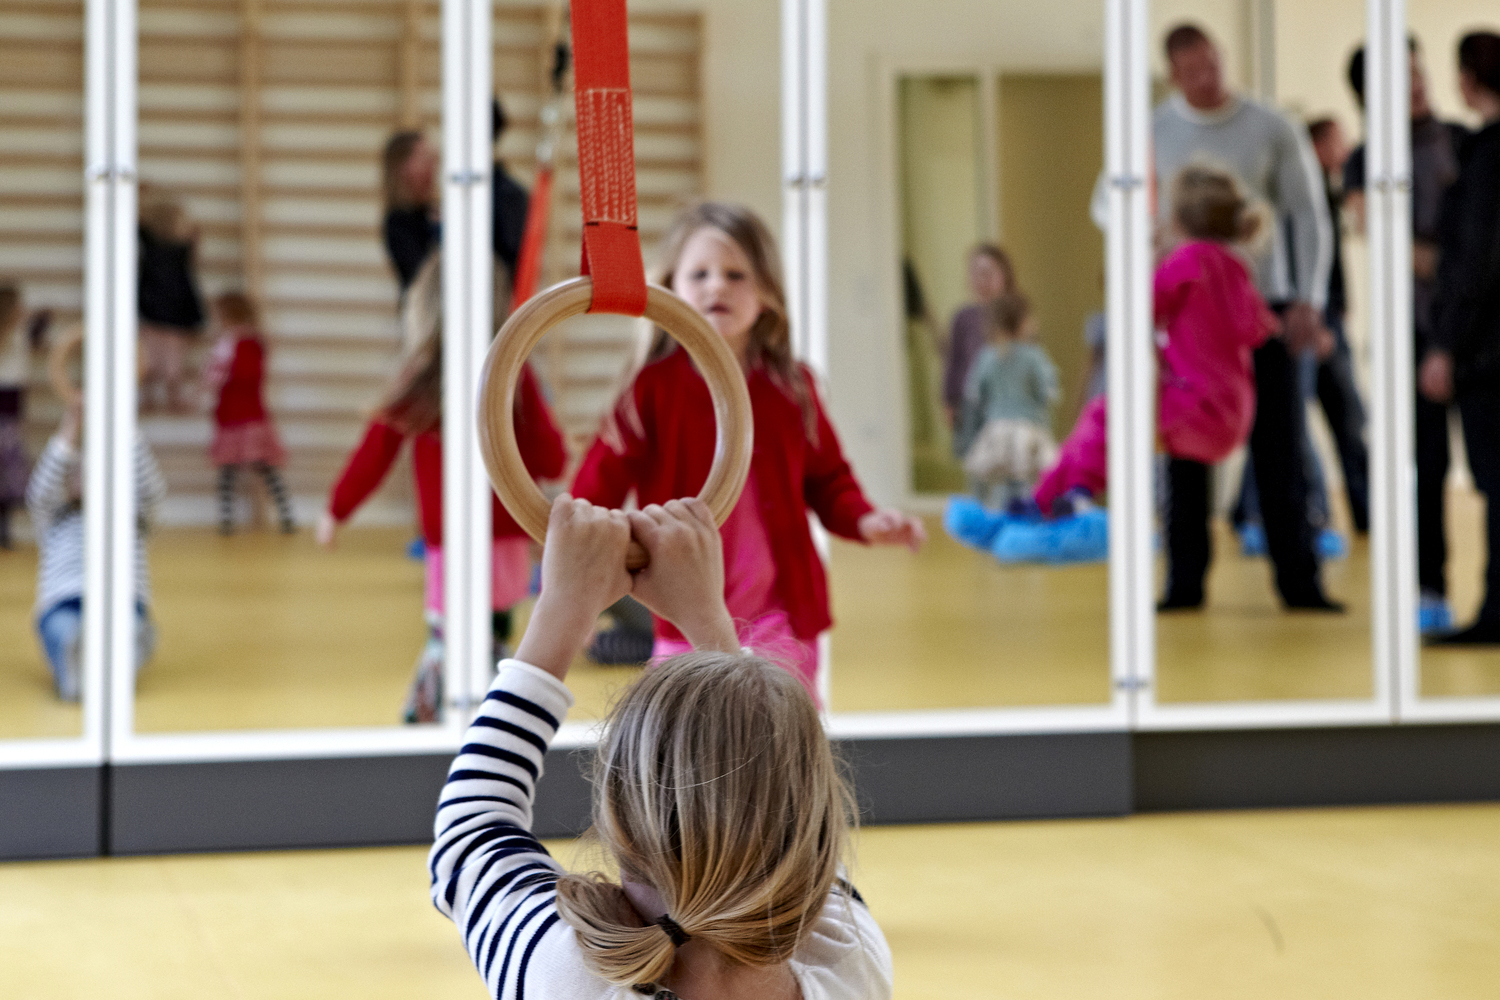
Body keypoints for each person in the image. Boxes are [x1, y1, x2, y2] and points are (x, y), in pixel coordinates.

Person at [427, 494, 892, 1000]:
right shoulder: (851, 968)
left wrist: (562, 608)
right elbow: (795, 825)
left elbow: (470, 827)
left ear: (617, 822)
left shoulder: (566, 975)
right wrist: (708, 615)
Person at [572, 202, 925, 704]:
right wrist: (578, 590)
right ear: (671, 289)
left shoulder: (791, 387)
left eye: (736, 275)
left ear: (764, 295)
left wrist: (865, 520)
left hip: (780, 614)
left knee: (781, 739)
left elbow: (828, 479)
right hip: (683, 610)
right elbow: (596, 488)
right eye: (700, 274)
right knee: (691, 743)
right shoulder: (649, 390)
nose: (717, 286)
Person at [318, 253, 567, 720]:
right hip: (503, 540)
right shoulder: (513, 373)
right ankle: (489, 715)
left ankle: (435, 715)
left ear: (425, 308)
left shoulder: (428, 378)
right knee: (489, 637)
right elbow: (552, 456)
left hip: (452, 542)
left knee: (450, 636)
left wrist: (337, 509)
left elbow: (375, 451)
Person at [1150, 23, 1342, 611]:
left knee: (1279, 445)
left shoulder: (1272, 126)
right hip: (1190, 320)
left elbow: (1309, 216)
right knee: (1185, 451)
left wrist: (1310, 298)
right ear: (1175, 74)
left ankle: (1299, 583)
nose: (1208, 77)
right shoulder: (1153, 130)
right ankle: (1184, 584)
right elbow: (1120, 204)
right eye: (1194, 70)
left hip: (1266, 310)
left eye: (1214, 63)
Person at [1029, 166, 1277, 606]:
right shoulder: (1238, 266)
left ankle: (1067, 499)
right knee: (1186, 493)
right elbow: (1255, 328)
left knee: (1106, 414)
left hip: (1190, 403)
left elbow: (1138, 305)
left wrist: (1146, 253)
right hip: (1231, 409)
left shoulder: (1187, 261)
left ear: (1179, 220)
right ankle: (1184, 583)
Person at [1345, 39, 1469, 634]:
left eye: (1418, 73)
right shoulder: (1365, 159)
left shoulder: (1465, 143)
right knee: (1427, 464)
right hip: (1412, 335)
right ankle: (1430, 587)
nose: (1417, 85)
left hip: (1478, 330)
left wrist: (1447, 261)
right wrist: (1456, 260)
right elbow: (1383, 239)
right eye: (1401, 79)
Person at [1422, 32, 1500, 645]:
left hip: (1489, 354)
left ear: (1469, 81)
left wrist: (1446, 345)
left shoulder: (1486, 159)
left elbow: (1475, 262)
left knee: (1497, 483)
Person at [27, 401, 165, 701]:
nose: (90, 475)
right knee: (61, 630)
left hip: (121, 601)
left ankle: (119, 662)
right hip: (66, 601)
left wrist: (126, 425)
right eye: (81, 470)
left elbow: (152, 489)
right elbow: (39, 491)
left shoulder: (131, 517)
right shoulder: (55, 519)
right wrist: (70, 428)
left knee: (128, 627)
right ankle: (73, 670)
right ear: (68, 482)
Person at [1307, 116, 1370, 536]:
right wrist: (1323, 318)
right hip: (1318, 319)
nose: (1344, 151)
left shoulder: (1328, 193)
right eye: (1337, 142)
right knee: (1348, 417)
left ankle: (1246, 511)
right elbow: (1317, 263)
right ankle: (1366, 511)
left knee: (1342, 418)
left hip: (1327, 316)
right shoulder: (1309, 195)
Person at [955, 291, 1060, 508]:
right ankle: (1030, 519)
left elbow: (973, 394)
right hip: (1029, 430)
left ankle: (987, 517)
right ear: (1023, 322)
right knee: (1031, 482)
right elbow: (1048, 392)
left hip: (996, 431)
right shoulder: (1034, 355)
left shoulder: (987, 355)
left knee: (991, 482)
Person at [201, 292, 295, 535]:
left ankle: (231, 520)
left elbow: (224, 374)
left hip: (240, 413)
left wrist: (209, 382)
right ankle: (281, 516)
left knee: (243, 468)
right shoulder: (248, 342)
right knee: (251, 467)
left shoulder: (236, 342)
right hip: (243, 413)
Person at [137, 191, 205, 413]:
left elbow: (138, 219)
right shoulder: (184, 244)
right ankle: (172, 396)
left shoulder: (149, 239)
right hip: (176, 307)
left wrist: (142, 197)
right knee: (172, 358)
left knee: (150, 357)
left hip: (152, 305)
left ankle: (148, 397)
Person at [942, 244, 1016, 433]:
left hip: (1007, 403)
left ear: (1004, 276)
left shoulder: (1015, 315)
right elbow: (954, 362)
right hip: (971, 404)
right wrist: (950, 401)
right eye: (976, 274)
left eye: (988, 273)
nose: (982, 280)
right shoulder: (963, 317)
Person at [0, 285, 40, 549]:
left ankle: (4, 526)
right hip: (6, 409)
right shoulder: (13, 339)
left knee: (9, 472)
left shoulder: (20, 337)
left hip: (11, 413)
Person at [381, 131, 440, 297]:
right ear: (402, 168)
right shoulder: (398, 221)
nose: (432, 165)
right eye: (423, 158)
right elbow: (420, 273)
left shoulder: (432, 211)